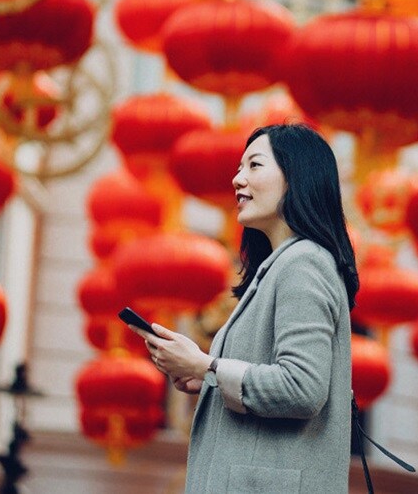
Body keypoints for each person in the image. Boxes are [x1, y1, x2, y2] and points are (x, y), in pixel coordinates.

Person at [128, 123, 359, 494]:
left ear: (296, 176)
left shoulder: (303, 263)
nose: (237, 180)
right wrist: (206, 377)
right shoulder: (283, 265)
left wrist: (207, 366)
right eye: (239, 168)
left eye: (254, 166)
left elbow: (302, 387)